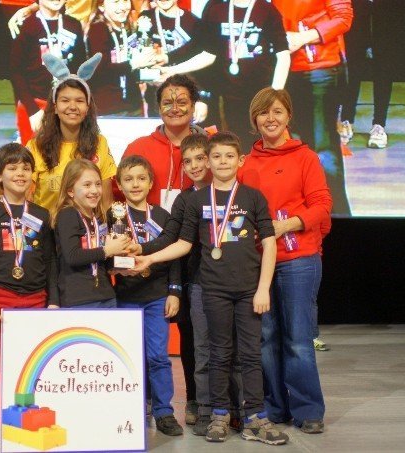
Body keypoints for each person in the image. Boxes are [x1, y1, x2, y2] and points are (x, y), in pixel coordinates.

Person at [134, 132, 288, 445]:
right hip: (213, 291)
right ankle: (219, 414)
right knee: (218, 353)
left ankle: (255, 417)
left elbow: (270, 244)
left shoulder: (253, 198)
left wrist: (263, 289)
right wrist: (149, 257)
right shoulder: (196, 200)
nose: (222, 162)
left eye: (229, 156)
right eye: (216, 156)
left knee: (250, 355)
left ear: (240, 160)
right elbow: (183, 243)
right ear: (209, 162)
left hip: (249, 290)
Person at [136, 134, 244, 435]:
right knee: (197, 346)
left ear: (210, 160)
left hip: (231, 282)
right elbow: (170, 237)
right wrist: (141, 250)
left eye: (200, 159)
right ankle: (200, 403)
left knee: (231, 348)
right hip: (195, 280)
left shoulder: (236, 194)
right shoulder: (185, 200)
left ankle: (235, 406)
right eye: (188, 161)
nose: (195, 166)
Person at [239, 87, 332, 434]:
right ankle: (275, 407)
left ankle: (308, 410)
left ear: (289, 116)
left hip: (299, 260)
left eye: (277, 111)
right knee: (266, 338)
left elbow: (322, 205)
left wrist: (285, 225)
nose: (270, 118)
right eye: (263, 113)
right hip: (258, 264)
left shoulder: (305, 158)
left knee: (297, 338)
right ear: (254, 120)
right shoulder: (246, 165)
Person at [0, 143, 60, 449]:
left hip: (35, 299)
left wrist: (53, 301)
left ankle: (28, 417)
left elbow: (51, 262)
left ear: (33, 174)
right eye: (12, 168)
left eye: (26, 168)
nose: (20, 173)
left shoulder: (42, 214)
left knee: (32, 363)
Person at [0, 54, 117, 219]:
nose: (72, 106)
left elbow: (106, 201)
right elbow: (19, 192)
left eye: (80, 101)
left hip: (86, 232)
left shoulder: (99, 143)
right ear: (55, 107)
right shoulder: (36, 146)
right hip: (46, 230)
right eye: (65, 100)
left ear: (88, 107)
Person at [112, 155, 184, 436]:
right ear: (119, 184)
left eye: (141, 178)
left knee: (158, 357)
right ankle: (135, 405)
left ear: (151, 182)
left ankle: (164, 411)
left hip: (156, 296)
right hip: (125, 297)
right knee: (130, 356)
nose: (135, 184)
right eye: (128, 179)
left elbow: (174, 257)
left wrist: (174, 292)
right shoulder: (113, 215)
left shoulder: (163, 216)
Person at [272, 0, 353, 215]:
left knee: (323, 148)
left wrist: (302, 37)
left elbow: (343, 18)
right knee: (294, 150)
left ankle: (336, 217)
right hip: (280, 69)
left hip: (317, 69)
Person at [194, 0, 291, 148]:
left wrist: (275, 95)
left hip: (261, 97)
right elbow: (207, 55)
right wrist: (171, 70)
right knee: (236, 146)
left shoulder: (266, 10)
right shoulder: (216, 10)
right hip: (227, 98)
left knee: (265, 147)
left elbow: (283, 55)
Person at [52, 159, 131, 307]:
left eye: (98, 184)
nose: (94, 190)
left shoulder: (99, 218)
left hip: (106, 295)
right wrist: (108, 250)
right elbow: (72, 256)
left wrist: (120, 266)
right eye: (87, 185)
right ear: (70, 191)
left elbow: (101, 259)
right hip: (79, 299)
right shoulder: (68, 215)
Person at [122, 74, 204, 210]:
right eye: (167, 103)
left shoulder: (211, 148)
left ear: (193, 107)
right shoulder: (137, 149)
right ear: (159, 108)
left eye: (182, 103)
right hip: (150, 224)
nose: (175, 109)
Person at [10, 0, 87, 145]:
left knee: (66, 155)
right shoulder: (27, 26)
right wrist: (33, 111)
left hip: (66, 105)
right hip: (35, 104)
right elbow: (16, 72)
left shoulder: (73, 25)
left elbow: (80, 70)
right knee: (34, 156)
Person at [85, 0, 158, 115]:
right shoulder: (98, 29)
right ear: (101, 5)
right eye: (116, 2)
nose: (122, 7)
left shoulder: (128, 27)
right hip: (108, 109)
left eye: (125, 1)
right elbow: (101, 69)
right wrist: (134, 64)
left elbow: (132, 66)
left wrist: (151, 70)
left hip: (133, 105)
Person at [338, 0, 392, 149]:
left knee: (383, 67)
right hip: (356, 8)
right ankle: (346, 119)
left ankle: (379, 124)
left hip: (386, 10)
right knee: (352, 65)